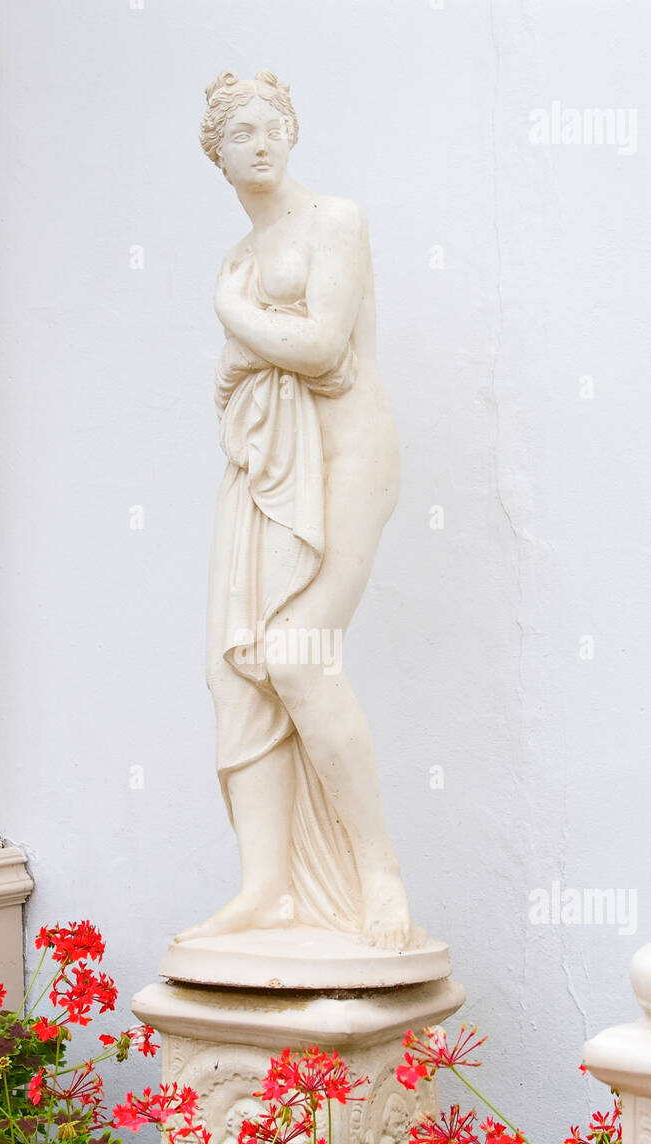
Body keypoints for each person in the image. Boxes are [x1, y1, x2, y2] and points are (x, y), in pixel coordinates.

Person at [180, 71, 419, 952]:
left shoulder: (334, 223)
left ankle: (377, 874)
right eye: (240, 131)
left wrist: (235, 316)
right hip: (266, 467)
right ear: (219, 155)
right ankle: (267, 887)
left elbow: (323, 348)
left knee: (298, 653)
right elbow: (232, 383)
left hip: (347, 455)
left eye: (272, 124)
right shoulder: (242, 257)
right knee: (237, 666)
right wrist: (245, 339)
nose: (262, 141)